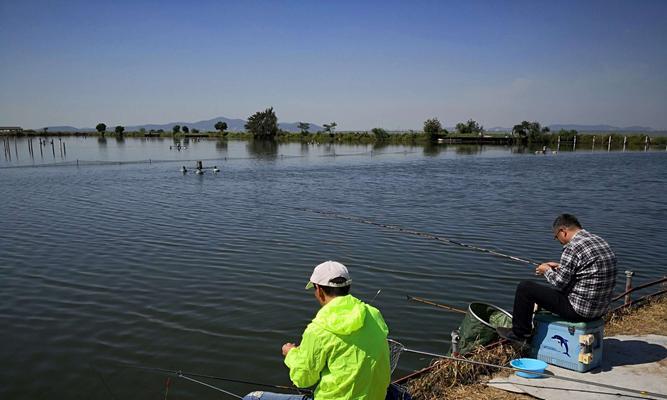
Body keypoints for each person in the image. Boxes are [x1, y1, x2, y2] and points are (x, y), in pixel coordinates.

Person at [242, 261, 391, 400]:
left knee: (252, 397)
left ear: (319, 290)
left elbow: (303, 379)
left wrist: (291, 353)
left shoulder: (318, 329)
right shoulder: (373, 313)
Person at [497, 214, 617, 342]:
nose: (558, 240)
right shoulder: (598, 241)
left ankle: (519, 333)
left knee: (525, 288)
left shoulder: (572, 247)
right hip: (601, 310)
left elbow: (559, 283)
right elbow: (588, 269)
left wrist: (546, 270)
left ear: (563, 231)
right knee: (546, 291)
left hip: (580, 312)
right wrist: (560, 267)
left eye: (556, 237)